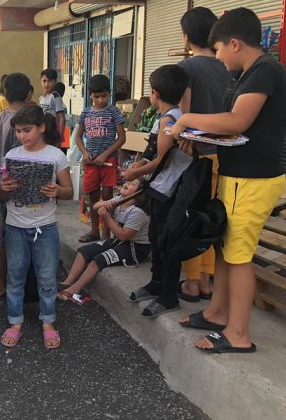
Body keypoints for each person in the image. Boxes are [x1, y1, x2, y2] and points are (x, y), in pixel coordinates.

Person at [172, 8, 286, 354]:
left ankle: (238, 334)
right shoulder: (248, 73)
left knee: (239, 256)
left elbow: (238, 121)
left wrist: (187, 120)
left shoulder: (266, 71)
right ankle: (217, 312)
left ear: (235, 43)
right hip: (237, 176)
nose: (219, 58)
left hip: (253, 179)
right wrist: (197, 131)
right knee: (225, 249)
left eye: (220, 50)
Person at [0, 105, 74, 349]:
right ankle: (15, 322)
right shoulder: (11, 156)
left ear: (42, 128)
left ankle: (48, 322)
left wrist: (59, 191)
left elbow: (70, 192)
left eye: (27, 130)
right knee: (15, 277)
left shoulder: (56, 156)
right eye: (18, 131)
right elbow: (1, 194)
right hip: (15, 225)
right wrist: (4, 189)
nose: (22, 136)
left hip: (45, 226)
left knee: (47, 277)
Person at [123, 65, 190, 318]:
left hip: (169, 189)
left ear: (155, 93)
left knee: (165, 241)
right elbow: (154, 156)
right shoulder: (169, 116)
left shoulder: (168, 120)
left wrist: (134, 173)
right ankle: (156, 284)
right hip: (160, 188)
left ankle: (168, 295)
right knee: (156, 236)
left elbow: (161, 161)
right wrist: (140, 164)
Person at [177, 7, 231, 302]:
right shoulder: (228, 65)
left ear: (186, 36)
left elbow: (184, 113)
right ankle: (209, 280)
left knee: (190, 215)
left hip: (196, 153)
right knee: (213, 216)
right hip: (226, 155)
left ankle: (192, 282)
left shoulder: (187, 68)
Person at [58, 178, 150, 305]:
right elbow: (95, 206)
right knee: (84, 251)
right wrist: (105, 205)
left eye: (133, 184)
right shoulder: (119, 200)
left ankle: (75, 289)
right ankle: (68, 282)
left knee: (98, 260)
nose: (126, 183)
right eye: (128, 181)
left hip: (134, 248)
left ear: (139, 193)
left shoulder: (137, 212)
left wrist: (107, 216)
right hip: (118, 241)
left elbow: (123, 236)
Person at [0, 72, 31, 300]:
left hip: (1, 182)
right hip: (25, 181)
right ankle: (21, 283)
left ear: (4, 94)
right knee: (27, 232)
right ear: (30, 93)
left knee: (6, 233)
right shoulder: (28, 120)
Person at [74, 74, 126, 243]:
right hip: (90, 162)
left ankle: (107, 233)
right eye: (96, 97)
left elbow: (121, 138)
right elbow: (78, 137)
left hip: (108, 160)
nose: (100, 100)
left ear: (109, 93)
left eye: (104, 96)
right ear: (90, 95)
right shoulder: (85, 113)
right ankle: (94, 230)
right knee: (92, 196)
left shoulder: (114, 112)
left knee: (108, 196)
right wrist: (84, 153)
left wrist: (105, 154)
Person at [38, 68, 66, 136]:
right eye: (44, 81)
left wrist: (60, 136)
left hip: (52, 132)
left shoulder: (55, 97)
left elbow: (61, 118)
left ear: (55, 81)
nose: (47, 84)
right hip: (43, 131)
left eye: (50, 81)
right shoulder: (41, 98)